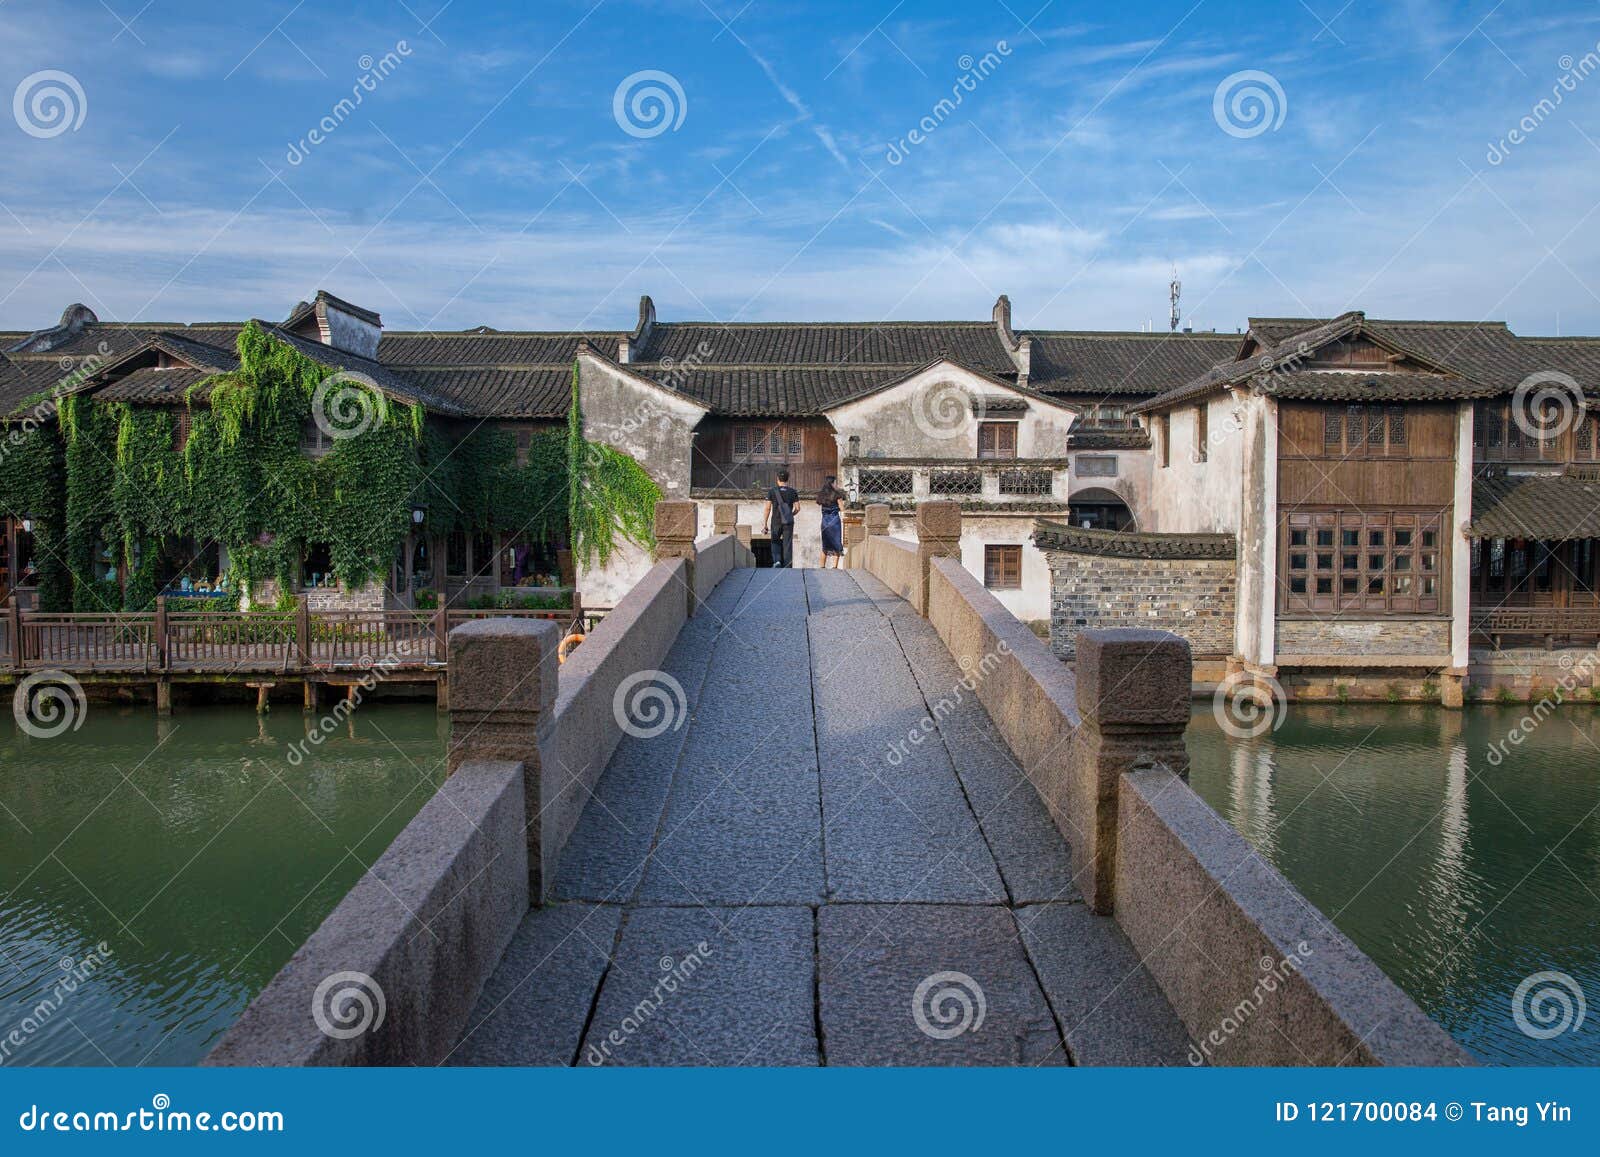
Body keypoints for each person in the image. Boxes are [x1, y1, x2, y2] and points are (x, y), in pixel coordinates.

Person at [762, 468, 799, 568]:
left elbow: (767, 508)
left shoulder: (772, 491)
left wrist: (765, 523)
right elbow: (798, 508)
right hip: (788, 522)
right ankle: (787, 565)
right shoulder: (793, 492)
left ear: (777, 479)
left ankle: (777, 561)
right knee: (787, 543)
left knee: (775, 541)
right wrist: (790, 514)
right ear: (787, 479)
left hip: (776, 521)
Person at [817, 475, 846, 568]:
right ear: (832, 483)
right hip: (834, 522)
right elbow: (842, 508)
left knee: (825, 546)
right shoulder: (837, 494)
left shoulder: (821, 495)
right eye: (835, 482)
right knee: (836, 544)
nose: (836, 484)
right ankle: (834, 567)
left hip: (825, 522)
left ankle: (822, 566)